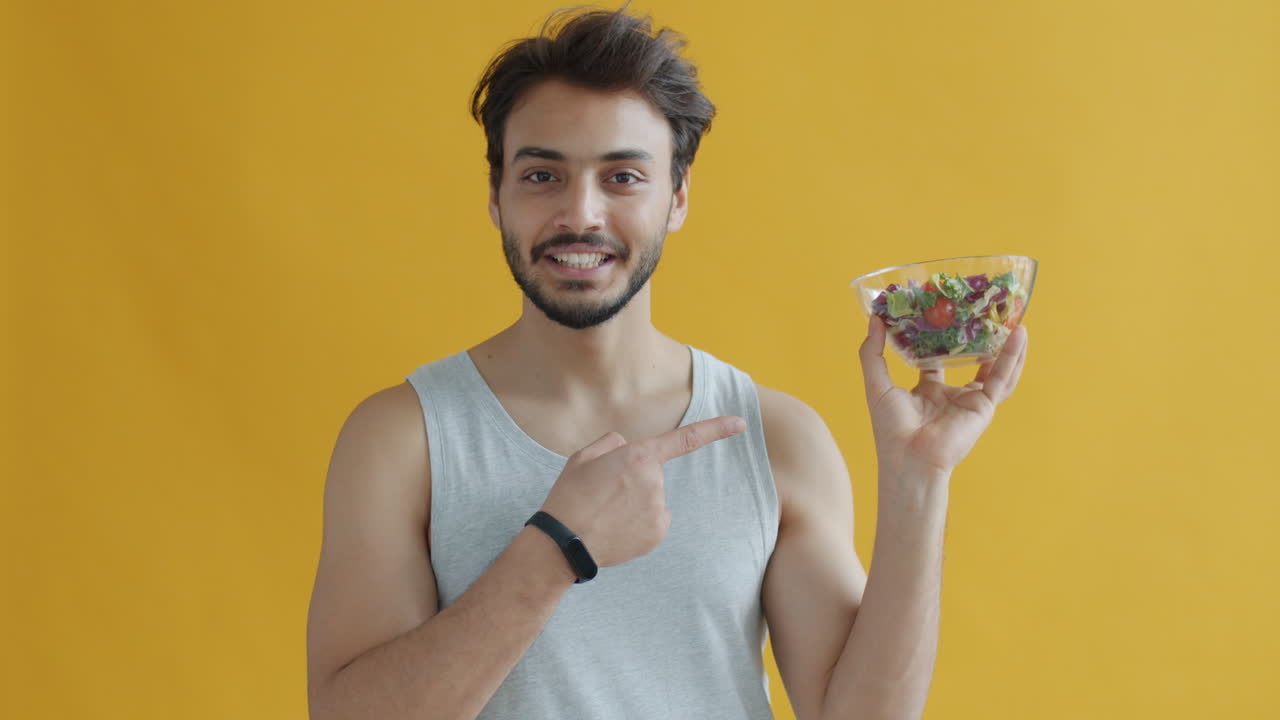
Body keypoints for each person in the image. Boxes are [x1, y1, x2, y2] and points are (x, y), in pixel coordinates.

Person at [305, 6, 1029, 720]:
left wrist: (918, 483)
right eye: (541, 176)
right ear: (495, 195)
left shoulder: (773, 438)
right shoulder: (403, 439)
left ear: (677, 197)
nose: (582, 214)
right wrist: (556, 551)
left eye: (622, 177)